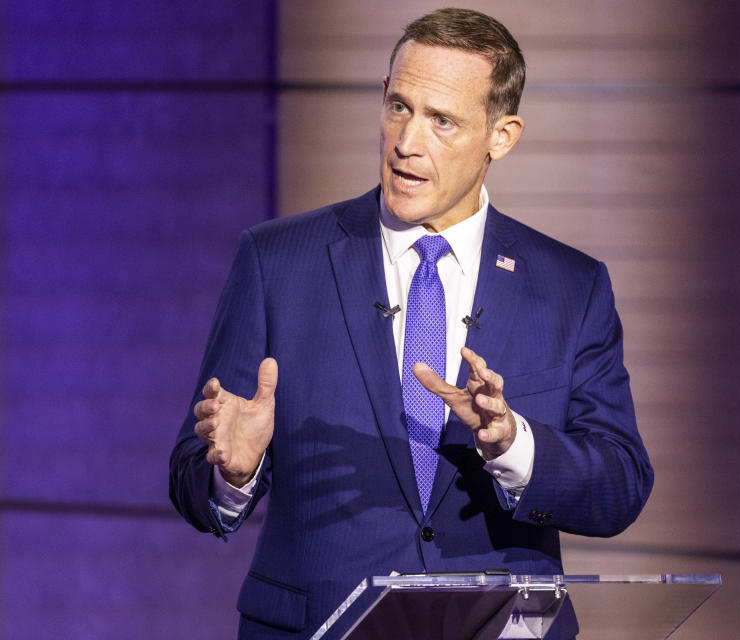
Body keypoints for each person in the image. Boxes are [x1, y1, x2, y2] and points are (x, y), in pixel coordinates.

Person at [170, 8, 653, 639]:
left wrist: (514, 445)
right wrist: (234, 473)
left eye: (442, 120)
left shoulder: (570, 287)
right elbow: (192, 476)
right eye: (399, 106)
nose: (407, 142)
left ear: (500, 135)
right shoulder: (277, 261)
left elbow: (619, 485)